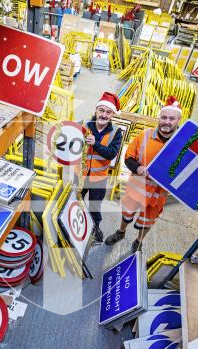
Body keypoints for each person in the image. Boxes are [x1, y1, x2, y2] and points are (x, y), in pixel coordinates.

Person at [104, 96, 181, 253]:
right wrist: (137, 168)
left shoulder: (181, 144)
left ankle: (139, 241)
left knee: (147, 221)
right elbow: (128, 157)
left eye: (172, 119)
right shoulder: (145, 135)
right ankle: (121, 232)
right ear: (159, 118)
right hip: (136, 189)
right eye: (164, 117)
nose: (167, 121)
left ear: (178, 121)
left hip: (157, 196)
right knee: (127, 213)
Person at [77, 92, 123, 243]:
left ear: (112, 115)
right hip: (81, 175)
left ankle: (95, 227)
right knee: (75, 202)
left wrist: (95, 143)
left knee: (95, 206)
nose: (104, 115)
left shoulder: (116, 132)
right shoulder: (84, 125)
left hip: (99, 178)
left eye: (108, 112)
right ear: (96, 110)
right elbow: (69, 142)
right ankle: (75, 227)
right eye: (101, 111)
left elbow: (111, 154)